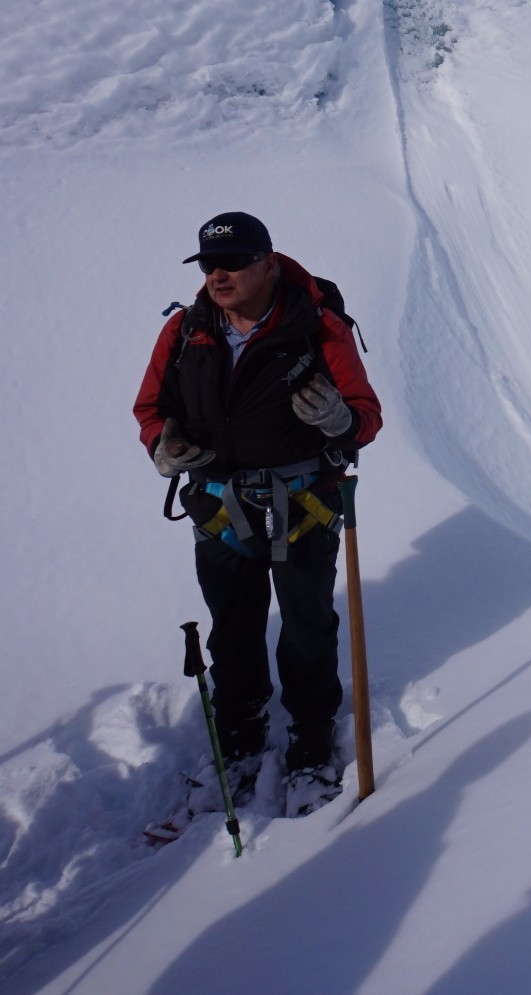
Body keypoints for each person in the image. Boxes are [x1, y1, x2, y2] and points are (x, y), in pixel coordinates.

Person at [133, 212, 381, 814]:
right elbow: (151, 408)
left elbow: (365, 415)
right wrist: (162, 445)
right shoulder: (186, 330)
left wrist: (340, 422)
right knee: (233, 630)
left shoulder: (317, 327)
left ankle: (312, 739)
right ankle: (240, 737)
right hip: (220, 506)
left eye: (235, 263)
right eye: (210, 265)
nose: (220, 275)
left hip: (303, 503)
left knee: (306, 627)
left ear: (269, 263)